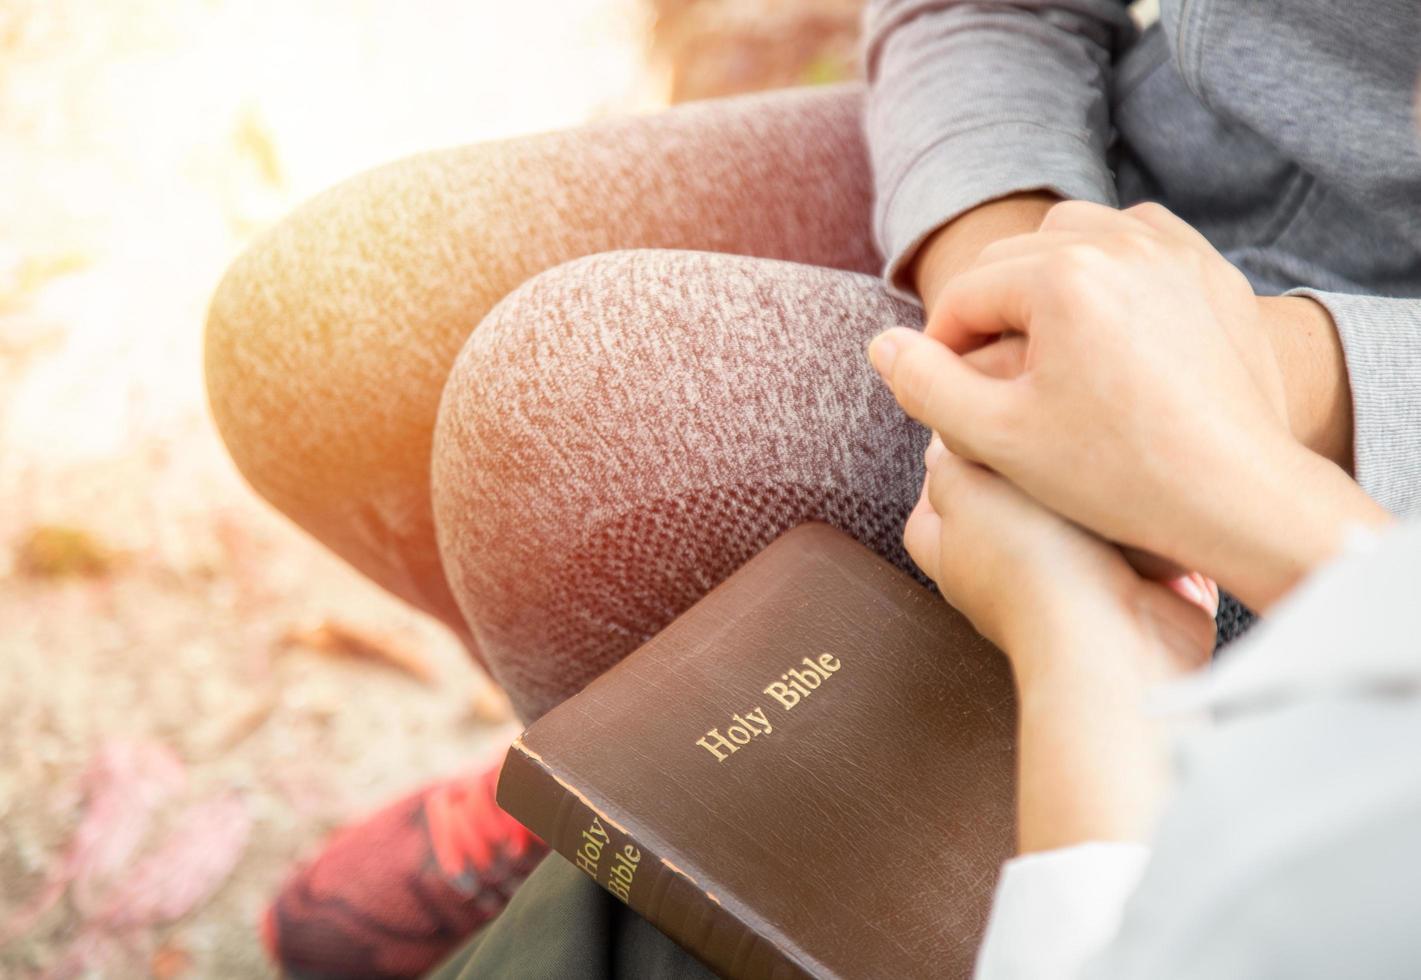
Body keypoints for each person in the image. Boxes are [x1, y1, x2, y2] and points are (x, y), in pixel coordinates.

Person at [204, 0, 1420, 974]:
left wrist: (1277, 387)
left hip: (1359, 512)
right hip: (1114, 175)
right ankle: (635, 746)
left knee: (585, 424)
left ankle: (681, 780)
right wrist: (1023, 287)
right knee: (318, 331)